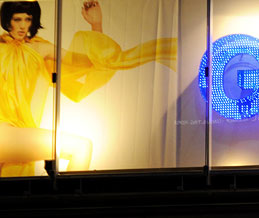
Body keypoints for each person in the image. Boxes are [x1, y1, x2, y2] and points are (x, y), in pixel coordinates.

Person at [0, 1, 177, 177]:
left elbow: (91, 62)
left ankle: (62, 202)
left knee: (81, 147)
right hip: (4, 130)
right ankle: (65, 203)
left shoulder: (40, 48)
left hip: (16, 131)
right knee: (81, 147)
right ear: (8, 21)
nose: (23, 26)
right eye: (17, 20)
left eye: (27, 19)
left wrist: (96, 25)